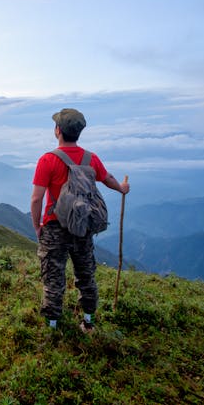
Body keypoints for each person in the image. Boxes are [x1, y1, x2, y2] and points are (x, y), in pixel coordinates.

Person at [31, 108, 129, 333]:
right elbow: (108, 179)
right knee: (86, 275)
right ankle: (88, 322)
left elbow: (37, 198)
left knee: (53, 278)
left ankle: (52, 326)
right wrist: (122, 189)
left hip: (54, 228)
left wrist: (37, 226)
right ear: (78, 132)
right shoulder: (91, 159)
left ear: (58, 131)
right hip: (82, 227)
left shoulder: (48, 160)